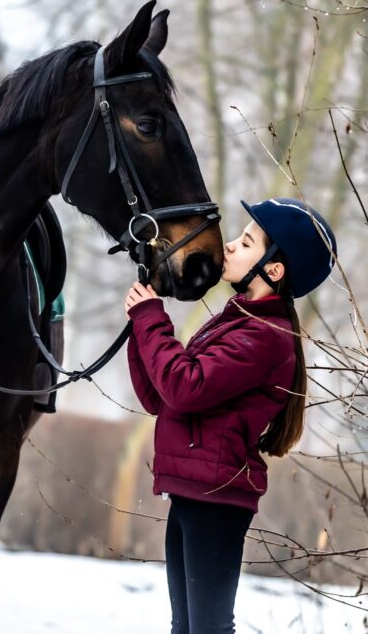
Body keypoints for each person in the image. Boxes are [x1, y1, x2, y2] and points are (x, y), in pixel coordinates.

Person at [123, 197, 338, 634]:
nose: (231, 245)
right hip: (193, 493)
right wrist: (140, 324)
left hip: (216, 501)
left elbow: (184, 387)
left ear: (272, 270)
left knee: (208, 628)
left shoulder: (264, 335)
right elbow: (161, 398)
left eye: (246, 242)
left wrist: (151, 321)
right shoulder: (237, 320)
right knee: (187, 627)